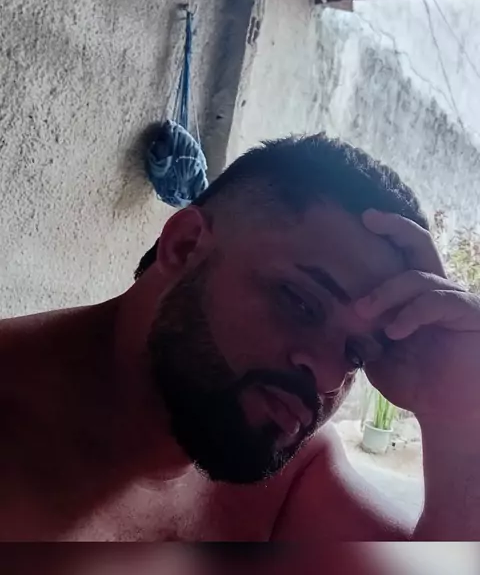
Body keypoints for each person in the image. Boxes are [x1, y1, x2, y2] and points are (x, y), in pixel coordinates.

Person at [1, 133, 480, 544]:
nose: (328, 377)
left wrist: (456, 415)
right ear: (184, 245)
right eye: (301, 303)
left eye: (356, 353)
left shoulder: (289, 475)